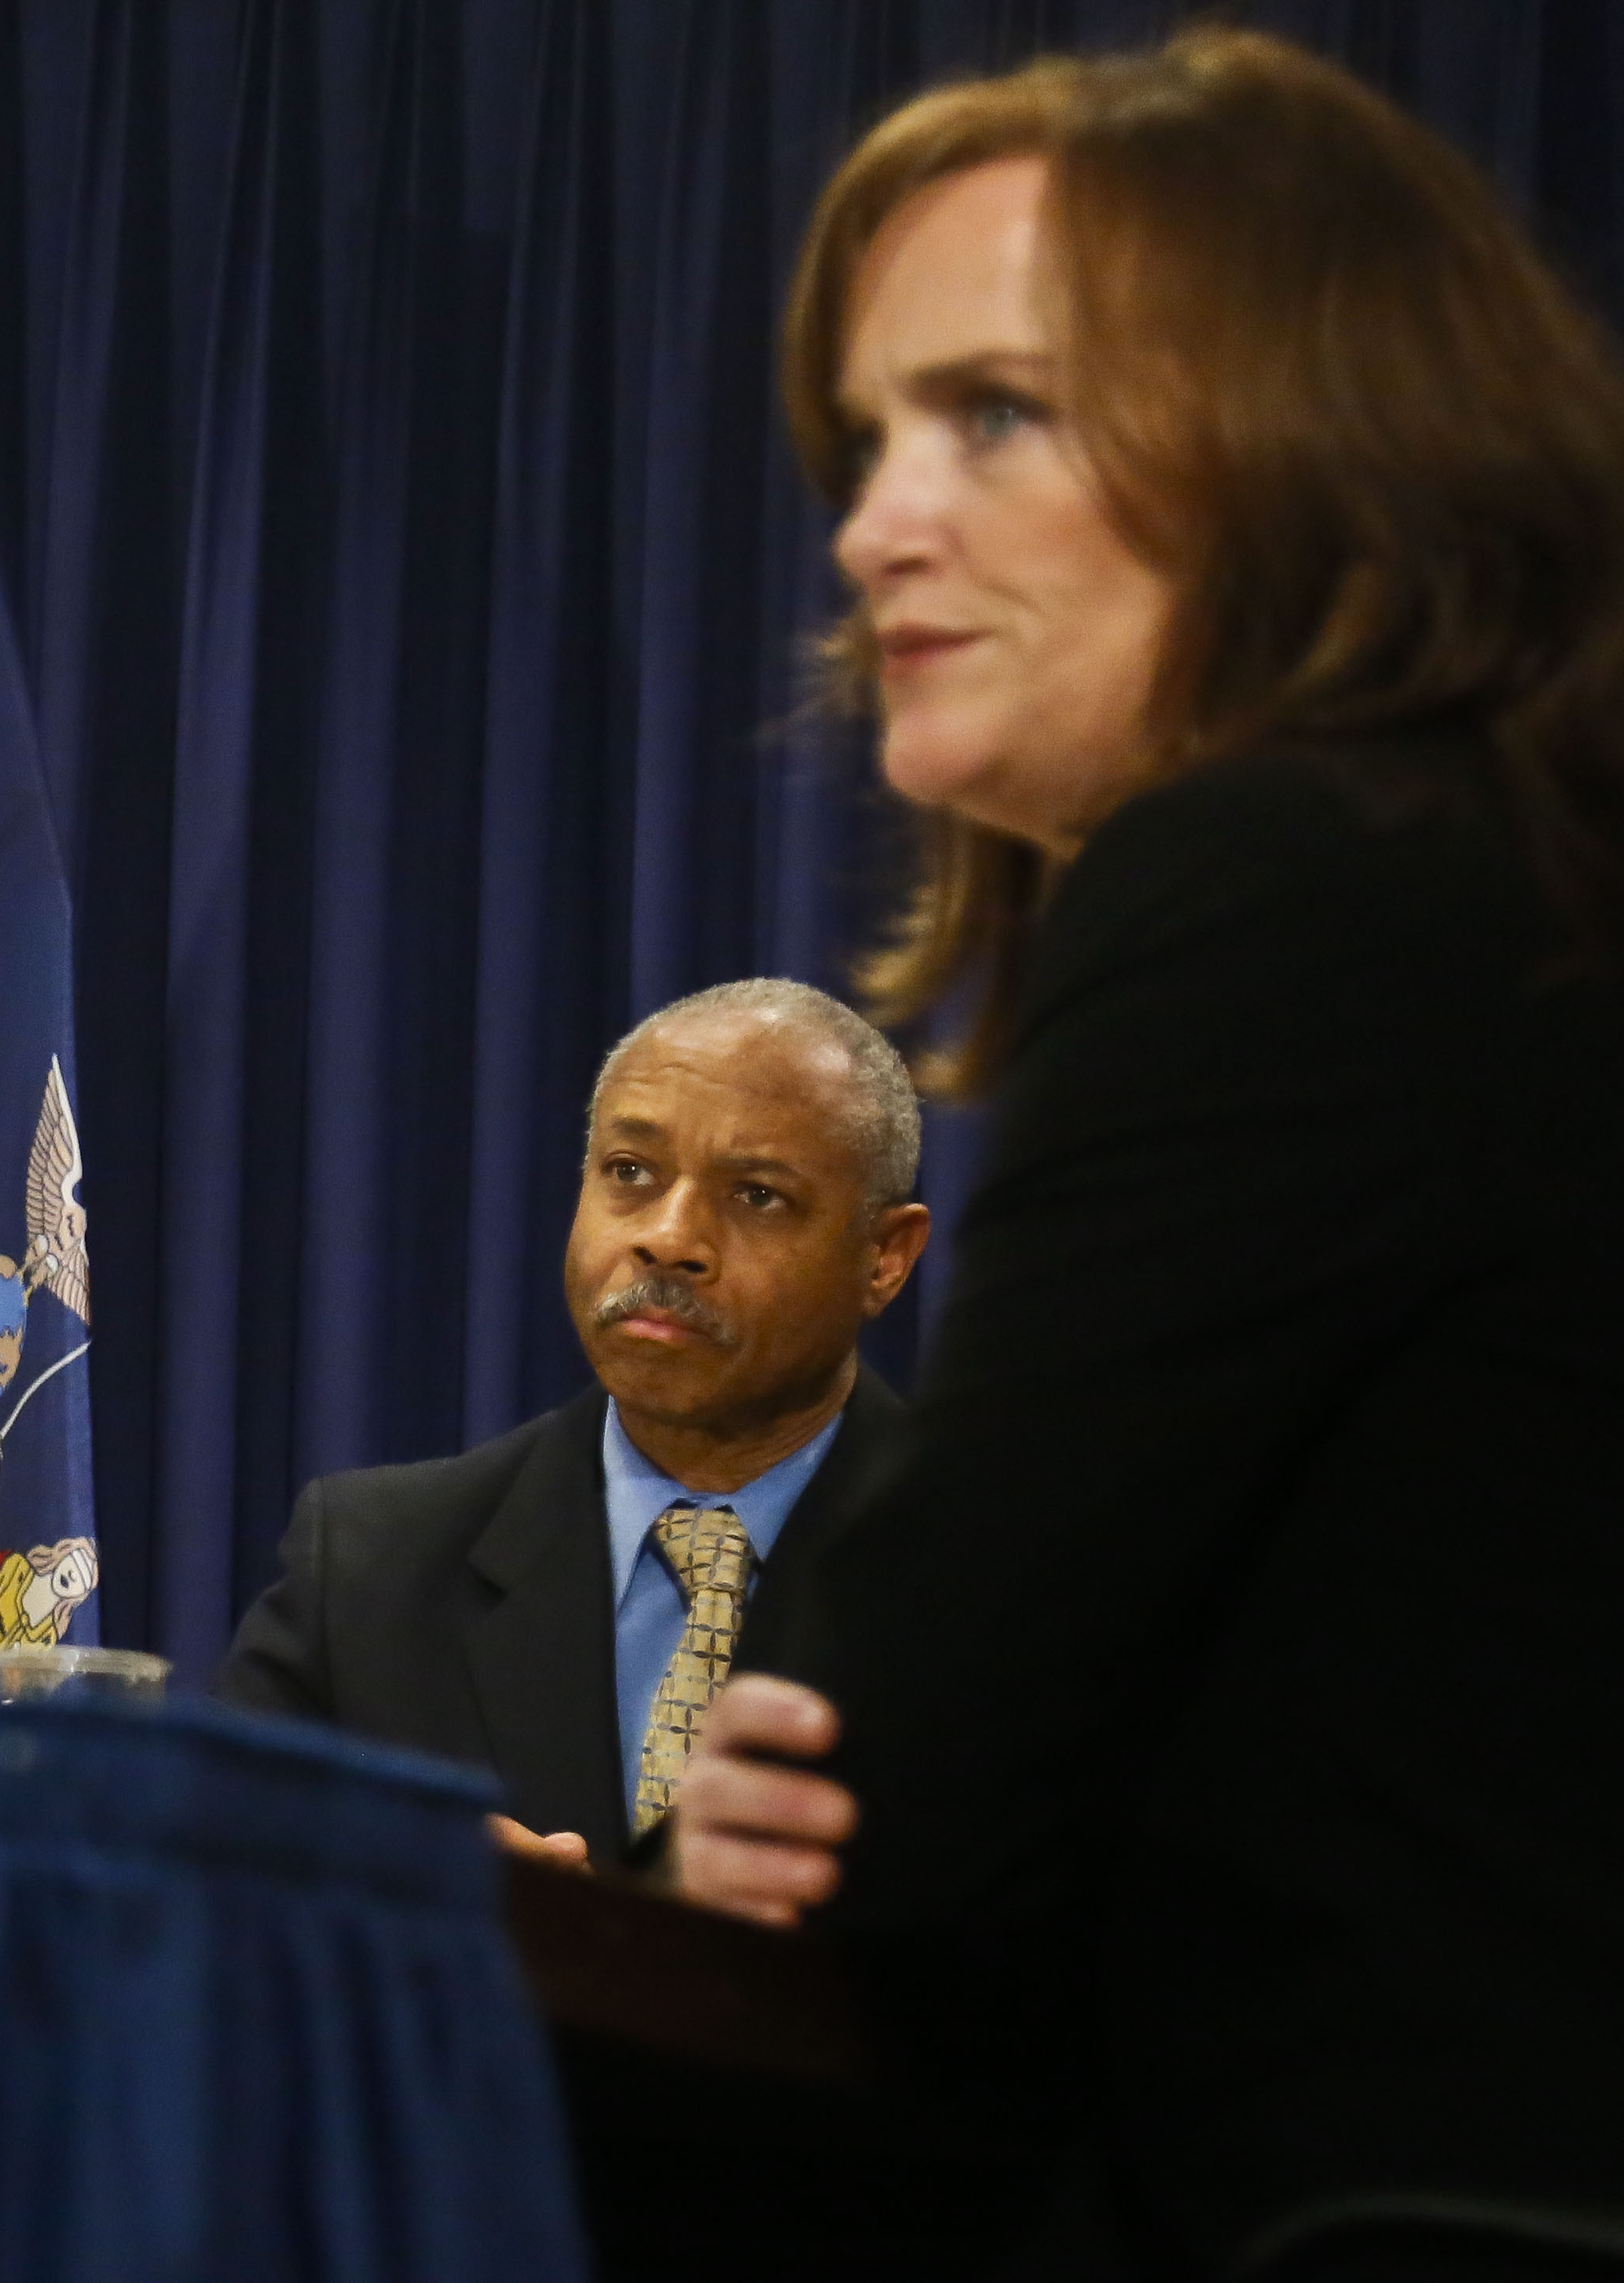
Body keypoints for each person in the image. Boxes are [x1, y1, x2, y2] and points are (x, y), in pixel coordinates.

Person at [667, 31, 1624, 2278]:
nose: (874, 521)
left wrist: (808, 1808)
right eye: (869, 435)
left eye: (995, 413)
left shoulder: (1285, 874)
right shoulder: (1518, 888)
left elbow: (922, 1814)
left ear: (1329, 444)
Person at [213, 980, 930, 1866]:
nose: (670, 1238)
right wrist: (413, 1904)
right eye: (631, 1172)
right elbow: (217, 1914)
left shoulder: (1010, 1572)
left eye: (756, 1196)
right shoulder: (368, 1570)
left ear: (885, 1257)